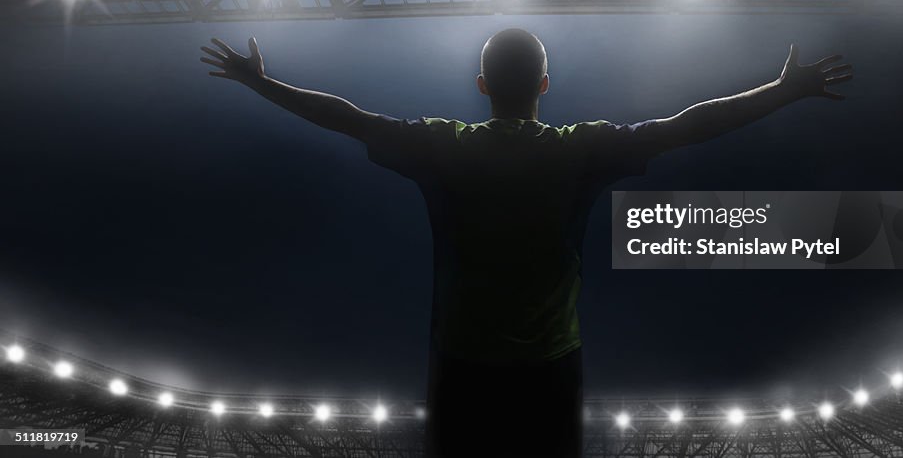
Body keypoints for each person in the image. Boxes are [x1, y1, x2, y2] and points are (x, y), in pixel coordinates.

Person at [200, 29, 852, 457]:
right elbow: (687, 126)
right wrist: (783, 90)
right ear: (545, 84)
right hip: (551, 367)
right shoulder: (582, 149)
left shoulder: (442, 144)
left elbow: (346, 117)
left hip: (459, 365)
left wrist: (261, 81)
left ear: (481, 86)